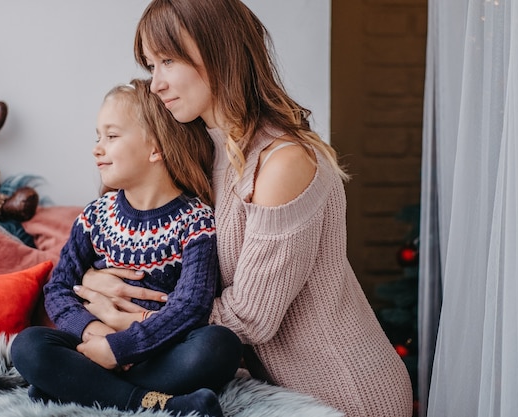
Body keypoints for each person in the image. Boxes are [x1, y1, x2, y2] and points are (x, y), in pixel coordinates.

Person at [79, 1, 415, 416]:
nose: (156, 84)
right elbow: (163, 260)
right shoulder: (200, 150)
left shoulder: (282, 161)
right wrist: (98, 280)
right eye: (151, 66)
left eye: (168, 60)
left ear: (219, 50)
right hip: (266, 392)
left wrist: (130, 320)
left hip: (341, 394)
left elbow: (250, 318)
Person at [10, 78, 242, 417]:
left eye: (112, 136)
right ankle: (162, 404)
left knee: (220, 345)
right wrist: (98, 335)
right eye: (97, 137)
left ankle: (78, 387)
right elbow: (58, 288)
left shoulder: (196, 220)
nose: (97, 148)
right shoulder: (96, 216)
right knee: (29, 346)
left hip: (161, 351)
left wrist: (122, 348)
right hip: (97, 347)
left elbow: (192, 306)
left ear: (155, 148)